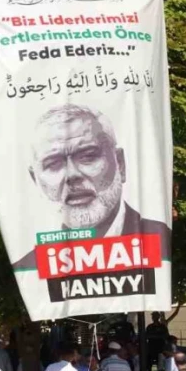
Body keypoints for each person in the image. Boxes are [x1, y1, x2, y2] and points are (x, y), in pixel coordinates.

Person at [12, 104, 172, 271]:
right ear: (36, 180)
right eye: (53, 163)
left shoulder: (164, 243)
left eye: (88, 156)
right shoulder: (31, 270)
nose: (72, 175)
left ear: (120, 164)